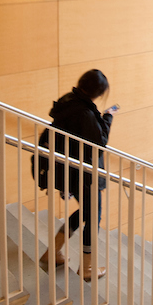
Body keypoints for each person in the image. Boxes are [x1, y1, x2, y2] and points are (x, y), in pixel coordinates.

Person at [38, 70, 116, 281]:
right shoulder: (86, 114)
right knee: (93, 217)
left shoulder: (67, 102)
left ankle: (52, 251)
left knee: (86, 212)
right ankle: (88, 269)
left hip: (68, 171)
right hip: (85, 174)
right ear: (99, 93)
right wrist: (108, 118)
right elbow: (98, 145)